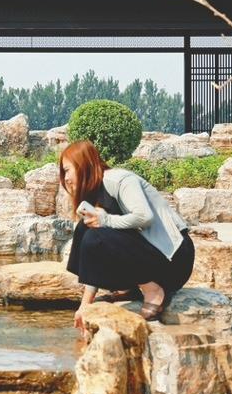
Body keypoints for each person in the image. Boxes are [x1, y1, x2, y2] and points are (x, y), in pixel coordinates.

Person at [61, 140, 194, 331]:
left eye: (67, 170)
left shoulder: (120, 180)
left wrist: (106, 220)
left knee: (94, 235)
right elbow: (96, 250)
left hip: (175, 260)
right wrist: (84, 305)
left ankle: (153, 291)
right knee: (84, 229)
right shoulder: (95, 191)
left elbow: (144, 216)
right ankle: (130, 288)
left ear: (83, 165)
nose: (65, 178)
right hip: (150, 260)